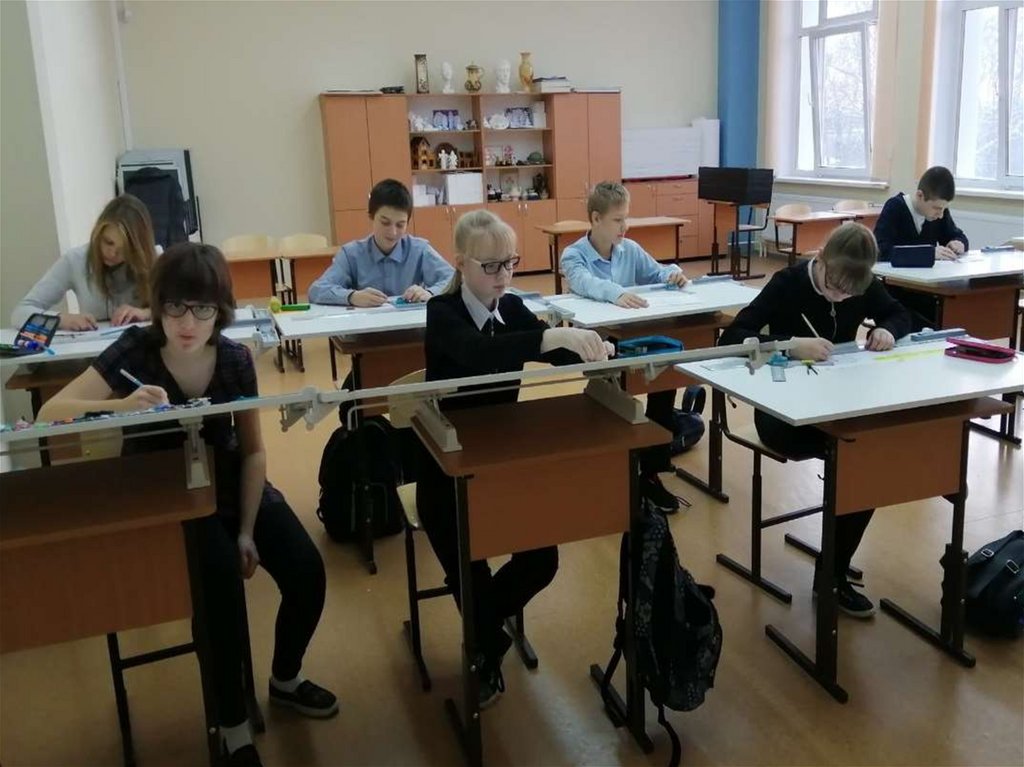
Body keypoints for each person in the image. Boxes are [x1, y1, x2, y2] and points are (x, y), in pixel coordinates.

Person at [38, 243, 337, 767]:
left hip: (232, 483)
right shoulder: (136, 349)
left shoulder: (235, 359)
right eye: (175, 306)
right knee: (220, 587)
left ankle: (285, 678)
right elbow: (50, 413)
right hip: (166, 495)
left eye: (202, 308)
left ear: (220, 310)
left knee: (307, 570)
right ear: (159, 305)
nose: (187, 322)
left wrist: (247, 530)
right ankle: (233, 726)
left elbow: (253, 453)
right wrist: (120, 406)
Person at [417, 209, 612, 708]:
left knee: (541, 560)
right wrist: (552, 336)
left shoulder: (512, 306)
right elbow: (477, 353)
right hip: (445, 470)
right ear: (460, 264)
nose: (503, 276)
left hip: (500, 462)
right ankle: (486, 647)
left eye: (510, 263)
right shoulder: (442, 313)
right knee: (470, 567)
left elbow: (552, 352)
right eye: (490, 266)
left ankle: (484, 637)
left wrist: (597, 347)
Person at [719, 222, 913, 618]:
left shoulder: (858, 280)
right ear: (820, 258)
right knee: (856, 458)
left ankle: (833, 568)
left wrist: (887, 331)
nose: (839, 296)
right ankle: (832, 578)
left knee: (867, 458)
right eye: (833, 286)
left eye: (849, 294)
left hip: (838, 406)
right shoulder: (787, 283)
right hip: (782, 416)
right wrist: (789, 347)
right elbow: (733, 336)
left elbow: (898, 313)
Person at [559, 181, 690, 513]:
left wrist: (674, 274)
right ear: (595, 218)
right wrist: (615, 292)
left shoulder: (629, 249)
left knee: (665, 374)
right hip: (599, 343)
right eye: (618, 220)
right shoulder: (573, 254)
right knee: (618, 399)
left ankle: (652, 467)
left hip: (634, 336)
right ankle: (618, 466)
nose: (624, 227)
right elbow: (583, 282)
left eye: (626, 218)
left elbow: (658, 272)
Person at [12, 194, 158, 331]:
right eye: (108, 242)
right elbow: (20, 313)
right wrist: (61, 320)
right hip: (92, 347)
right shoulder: (76, 260)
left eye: (124, 250)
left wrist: (146, 313)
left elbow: (172, 309)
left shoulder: (155, 260)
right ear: (97, 234)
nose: (112, 253)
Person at [873, 166, 969, 329]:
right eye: (937, 208)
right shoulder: (895, 207)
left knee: (955, 313)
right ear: (920, 195)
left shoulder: (939, 213)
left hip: (926, 289)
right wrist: (928, 253)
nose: (940, 214)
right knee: (934, 321)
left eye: (944, 209)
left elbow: (957, 235)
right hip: (897, 291)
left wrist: (959, 243)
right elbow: (881, 251)